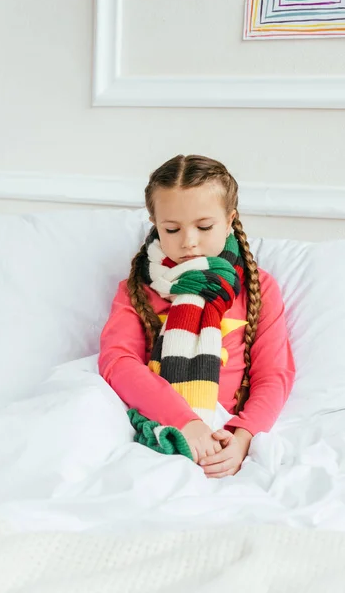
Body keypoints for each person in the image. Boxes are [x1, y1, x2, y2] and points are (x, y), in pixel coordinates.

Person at [99, 154, 295, 478]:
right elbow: (117, 361)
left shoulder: (257, 288)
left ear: (230, 220)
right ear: (155, 224)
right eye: (172, 229)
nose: (189, 242)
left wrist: (243, 437)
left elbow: (274, 374)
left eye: (204, 227)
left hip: (224, 431)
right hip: (161, 419)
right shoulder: (137, 287)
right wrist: (184, 421)